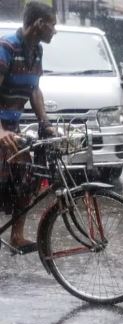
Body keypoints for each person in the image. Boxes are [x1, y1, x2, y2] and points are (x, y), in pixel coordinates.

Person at [0, 1, 57, 253]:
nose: (54, 31)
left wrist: (45, 124)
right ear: (39, 24)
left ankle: (16, 236)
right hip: (2, 129)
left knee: (26, 178)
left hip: (12, 129)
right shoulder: (6, 48)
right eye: (52, 25)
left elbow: (34, 89)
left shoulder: (37, 51)